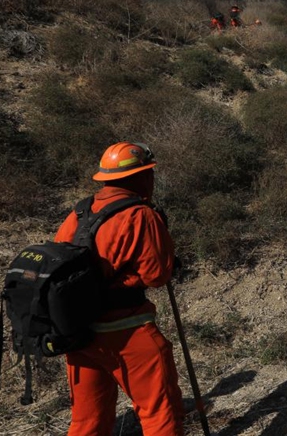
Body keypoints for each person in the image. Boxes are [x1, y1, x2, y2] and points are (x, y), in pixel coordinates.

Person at [53, 142, 184, 435]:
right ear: (139, 177)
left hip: (79, 331)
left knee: (87, 421)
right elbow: (157, 275)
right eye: (149, 173)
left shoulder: (79, 213)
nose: (152, 179)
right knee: (159, 414)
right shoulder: (140, 214)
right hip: (127, 330)